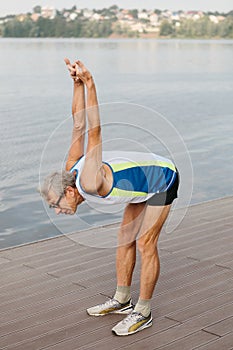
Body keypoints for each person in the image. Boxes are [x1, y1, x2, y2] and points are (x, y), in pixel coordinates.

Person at [40, 58, 179, 336]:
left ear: (69, 191)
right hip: (141, 184)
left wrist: (90, 82)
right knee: (124, 238)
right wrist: (76, 83)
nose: (57, 211)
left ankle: (143, 311)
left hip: (162, 177)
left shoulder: (89, 180)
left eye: (56, 205)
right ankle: (122, 299)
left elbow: (95, 130)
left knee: (144, 244)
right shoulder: (71, 168)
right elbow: (78, 124)